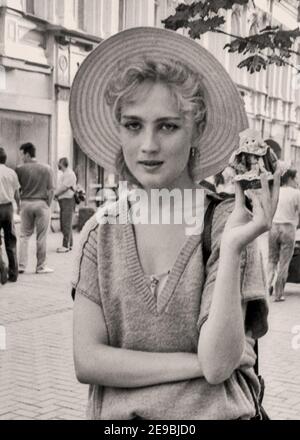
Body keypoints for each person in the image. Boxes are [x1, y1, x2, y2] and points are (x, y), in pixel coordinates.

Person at [70, 27, 280, 420]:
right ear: (119, 130)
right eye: (133, 125)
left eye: (167, 125)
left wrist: (234, 249)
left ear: (196, 130)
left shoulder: (227, 226)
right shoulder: (100, 234)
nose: (148, 145)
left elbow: (219, 363)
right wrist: (193, 363)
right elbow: (88, 360)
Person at [16, 143, 54, 274]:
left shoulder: (19, 169)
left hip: (26, 203)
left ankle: (21, 265)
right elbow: (51, 190)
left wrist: (19, 203)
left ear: (27, 154)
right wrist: (47, 204)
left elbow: (17, 189)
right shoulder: (46, 168)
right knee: (42, 236)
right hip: (41, 204)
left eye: (21, 154)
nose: (21, 157)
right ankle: (41, 266)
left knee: (24, 236)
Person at [268, 168, 300, 302]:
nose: (297, 181)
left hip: (273, 227)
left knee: (271, 260)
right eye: (296, 178)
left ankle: (268, 284)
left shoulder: (276, 190)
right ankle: (279, 294)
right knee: (284, 262)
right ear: (290, 179)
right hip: (288, 228)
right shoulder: (296, 193)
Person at [0, 147, 20, 282]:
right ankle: (13, 273)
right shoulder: (11, 172)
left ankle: (2, 268)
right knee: (10, 241)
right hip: (8, 208)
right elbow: (17, 193)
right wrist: (19, 206)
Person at [54, 158, 77, 253]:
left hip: (68, 200)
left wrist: (55, 194)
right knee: (66, 222)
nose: (57, 165)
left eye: (58, 163)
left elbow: (64, 188)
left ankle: (65, 245)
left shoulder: (69, 174)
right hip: (64, 200)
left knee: (66, 223)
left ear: (62, 164)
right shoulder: (66, 174)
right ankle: (69, 244)